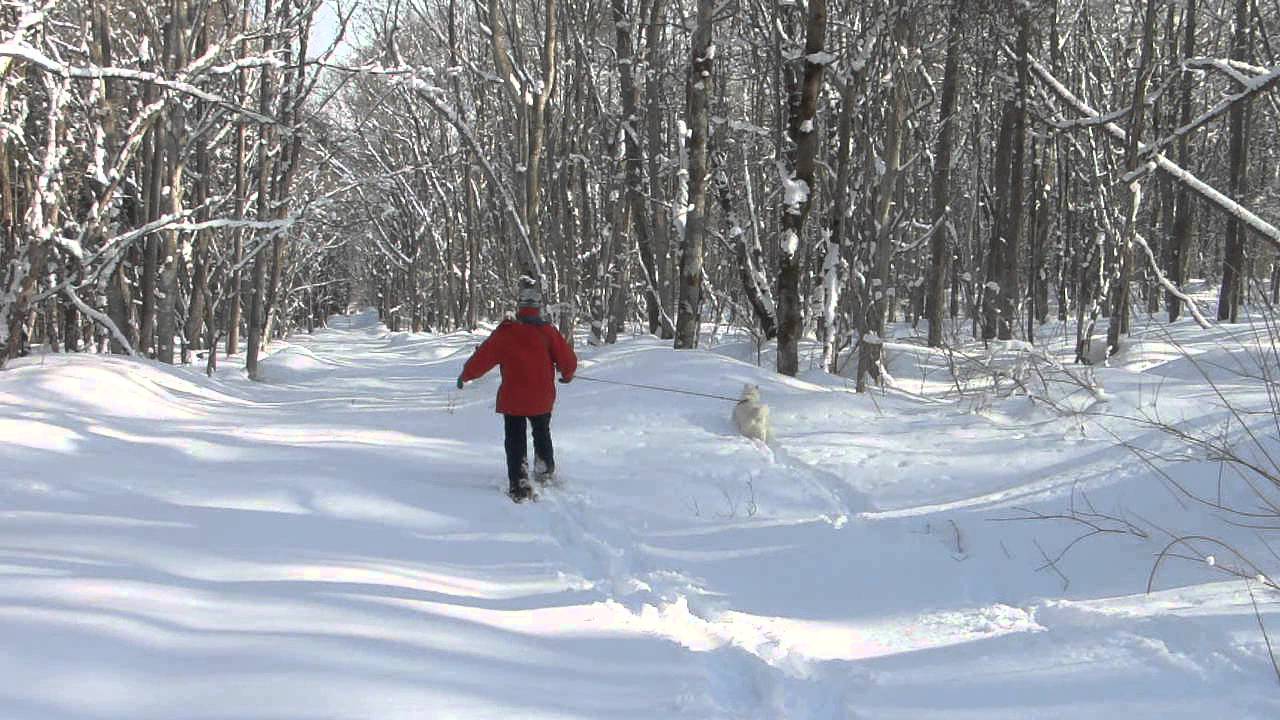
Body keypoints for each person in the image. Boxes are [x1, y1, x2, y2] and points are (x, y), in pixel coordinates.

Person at [457, 281, 577, 502]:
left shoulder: (506, 332)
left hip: (513, 399)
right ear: (539, 307)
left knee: (515, 438)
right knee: (542, 431)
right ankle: (544, 469)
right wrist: (567, 375)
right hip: (541, 397)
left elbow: (482, 358)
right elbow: (567, 359)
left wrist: (465, 375)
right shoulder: (548, 332)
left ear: (519, 306)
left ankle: (519, 480)